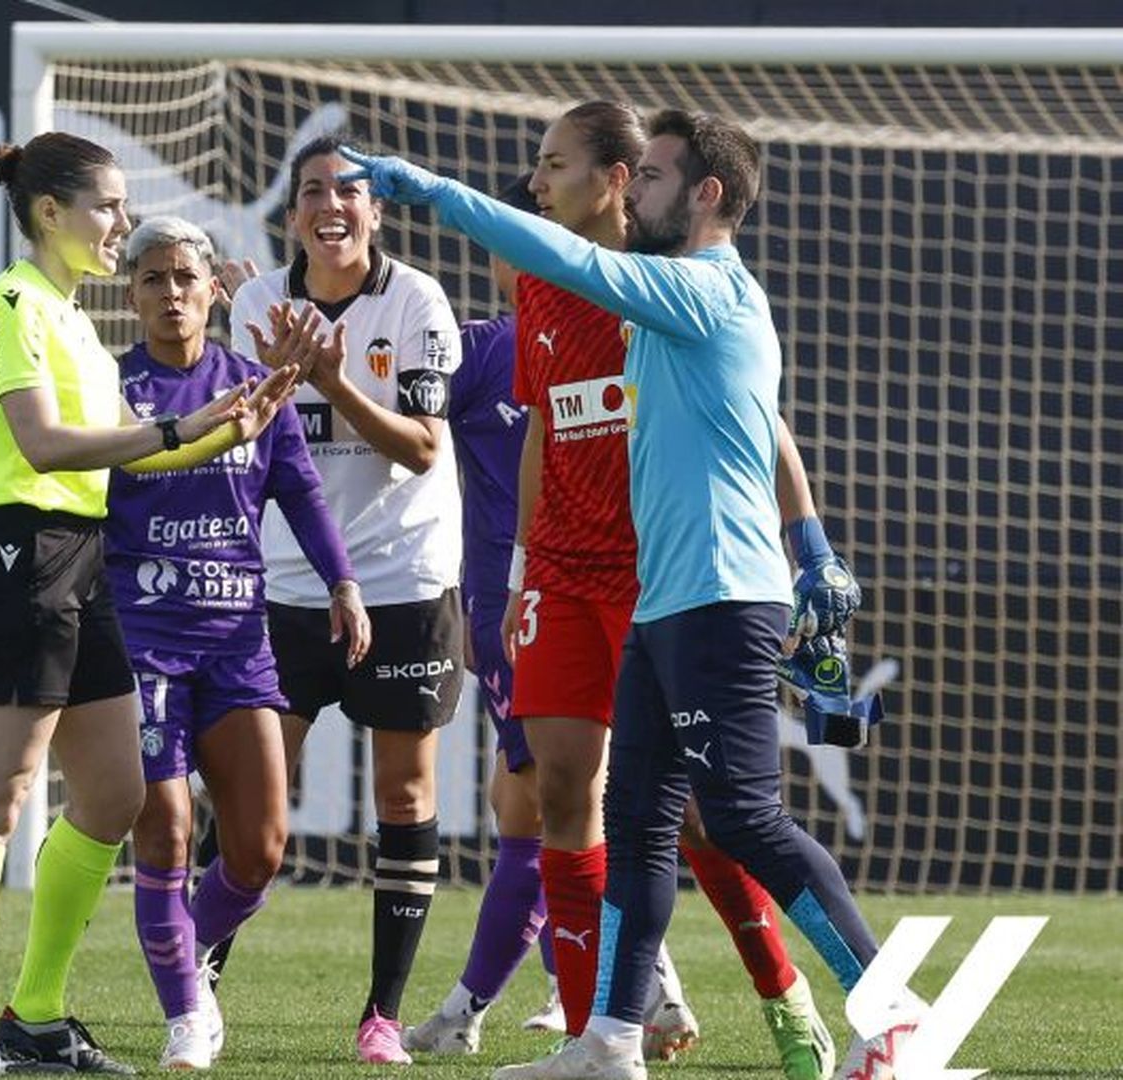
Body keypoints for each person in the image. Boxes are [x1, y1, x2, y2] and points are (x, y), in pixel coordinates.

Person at [342, 110, 907, 1080]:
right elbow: (750, 417)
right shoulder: (666, 309)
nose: (631, 192)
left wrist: (435, 194)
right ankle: (608, 1037)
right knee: (640, 817)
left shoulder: (699, 289)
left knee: (741, 821)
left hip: (722, 598)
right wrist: (810, 540)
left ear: (707, 197)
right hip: (662, 605)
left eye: (649, 178)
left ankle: (890, 1015)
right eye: (632, 174)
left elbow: (568, 259)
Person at [0, 132, 297, 1075]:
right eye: (108, 208)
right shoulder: (13, 303)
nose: (121, 223)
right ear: (49, 212)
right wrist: (176, 423)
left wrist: (220, 431)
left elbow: (130, 449)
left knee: (114, 794)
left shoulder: (69, 314)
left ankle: (38, 1013)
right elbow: (44, 445)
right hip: (21, 556)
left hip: (79, 560)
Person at [106, 215, 369, 1070]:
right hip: (145, 642)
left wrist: (343, 583)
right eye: (153, 279)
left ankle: (180, 952)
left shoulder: (257, 388)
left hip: (237, 640)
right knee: (166, 830)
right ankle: (187, 1012)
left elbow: (301, 492)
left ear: (213, 289)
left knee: (259, 850)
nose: (171, 294)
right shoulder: (111, 394)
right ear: (133, 291)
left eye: (186, 278)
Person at [228, 134, 465, 1066]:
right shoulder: (257, 302)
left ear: (376, 212)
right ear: (292, 216)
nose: (333, 204)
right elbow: (248, 439)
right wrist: (275, 386)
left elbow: (421, 447)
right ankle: (198, 985)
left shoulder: (415, 301)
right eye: (314, 190)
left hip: (403, 578)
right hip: (286, 585)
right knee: (253, 805)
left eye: (351, 191)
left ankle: (381, 1014)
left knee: (403, 790)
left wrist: (330, 380)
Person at [401, 173, 548, 1058]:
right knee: (529, 801)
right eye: (506, 236)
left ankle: (470, 1011)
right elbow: (398, 407)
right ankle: (623, 994)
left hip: (584, 601)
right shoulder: (479, 350)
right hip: (505, 607)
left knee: (550, 809)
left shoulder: (629, 332)